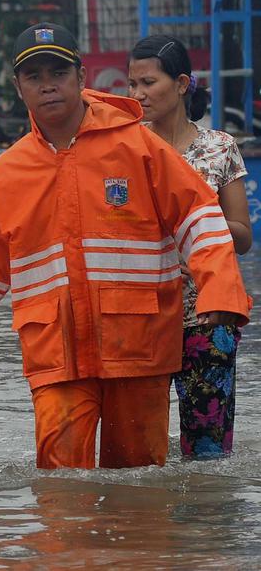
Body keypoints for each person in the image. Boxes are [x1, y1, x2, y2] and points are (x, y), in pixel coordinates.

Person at [0, 23, 251, 470]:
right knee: (62, 493)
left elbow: (199, 219)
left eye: (58, 72)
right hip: (56, 355)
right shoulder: (7, 176)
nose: (48, 85)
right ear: (18, 87)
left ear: (81, 77)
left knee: (142, 488)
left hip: (137, 350)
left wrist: (221, 292)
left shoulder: (139, 146)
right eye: (34, 76)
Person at [129, 35, 251, 459]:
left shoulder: (220, 148)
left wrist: (195, 219)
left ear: (181, 84)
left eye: (148, 82)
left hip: (207, 314)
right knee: (138, 455)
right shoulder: (126, 149)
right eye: (132, 84)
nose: (137, 94)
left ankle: (209, 525)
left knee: (206, 459)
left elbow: (243, 235)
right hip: (141, 317)